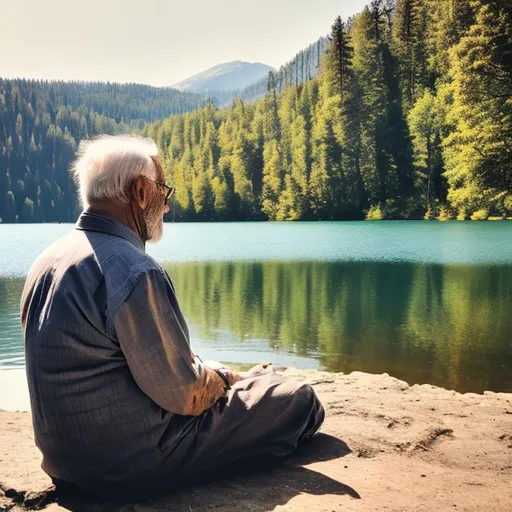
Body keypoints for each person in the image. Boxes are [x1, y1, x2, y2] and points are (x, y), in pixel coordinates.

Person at [20, 135, 325, 501]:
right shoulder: (134, 270)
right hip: (132, 465)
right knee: (297, 399)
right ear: (141, 192)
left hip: (65, 464)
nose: (166, 206)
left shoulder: (49, 259)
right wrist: (227, 378)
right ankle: (254, 389)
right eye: (163, 191)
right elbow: (188, 397)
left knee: (224, 376)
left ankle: (248, 382)